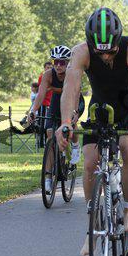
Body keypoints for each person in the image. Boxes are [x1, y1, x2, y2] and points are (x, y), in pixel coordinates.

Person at [55, 7, 128, 256]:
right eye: (101, 52)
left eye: (111, 51)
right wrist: (65, 122)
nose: (106, 56)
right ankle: (93, 227)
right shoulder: (81, 52)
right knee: (90, 162)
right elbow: (71, 89)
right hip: (100, 108)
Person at [30, 46, 84, 193]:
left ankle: (75, 146)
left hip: (74, 100)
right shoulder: (48, 75)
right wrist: (33, 110)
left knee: (72, 123)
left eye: (62, 62)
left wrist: (74, 112)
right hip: (56, 101)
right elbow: (41, 94)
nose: (58, 65)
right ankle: (48, 178)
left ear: (68, 62)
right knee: (49, 135)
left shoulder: (73, 73)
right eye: (56, 62)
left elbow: (76, 93)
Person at [36, 62, 53, 147]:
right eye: (47, 67)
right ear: (44, 68)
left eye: (50, 67)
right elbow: (41, 90)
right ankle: (41, 143)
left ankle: (48, 141)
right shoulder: (42, 77)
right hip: (44, 103)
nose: (49, 69)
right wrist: (52, 88)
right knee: (42, 123)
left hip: (52, 103)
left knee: (49, 124)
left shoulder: (54, 76)